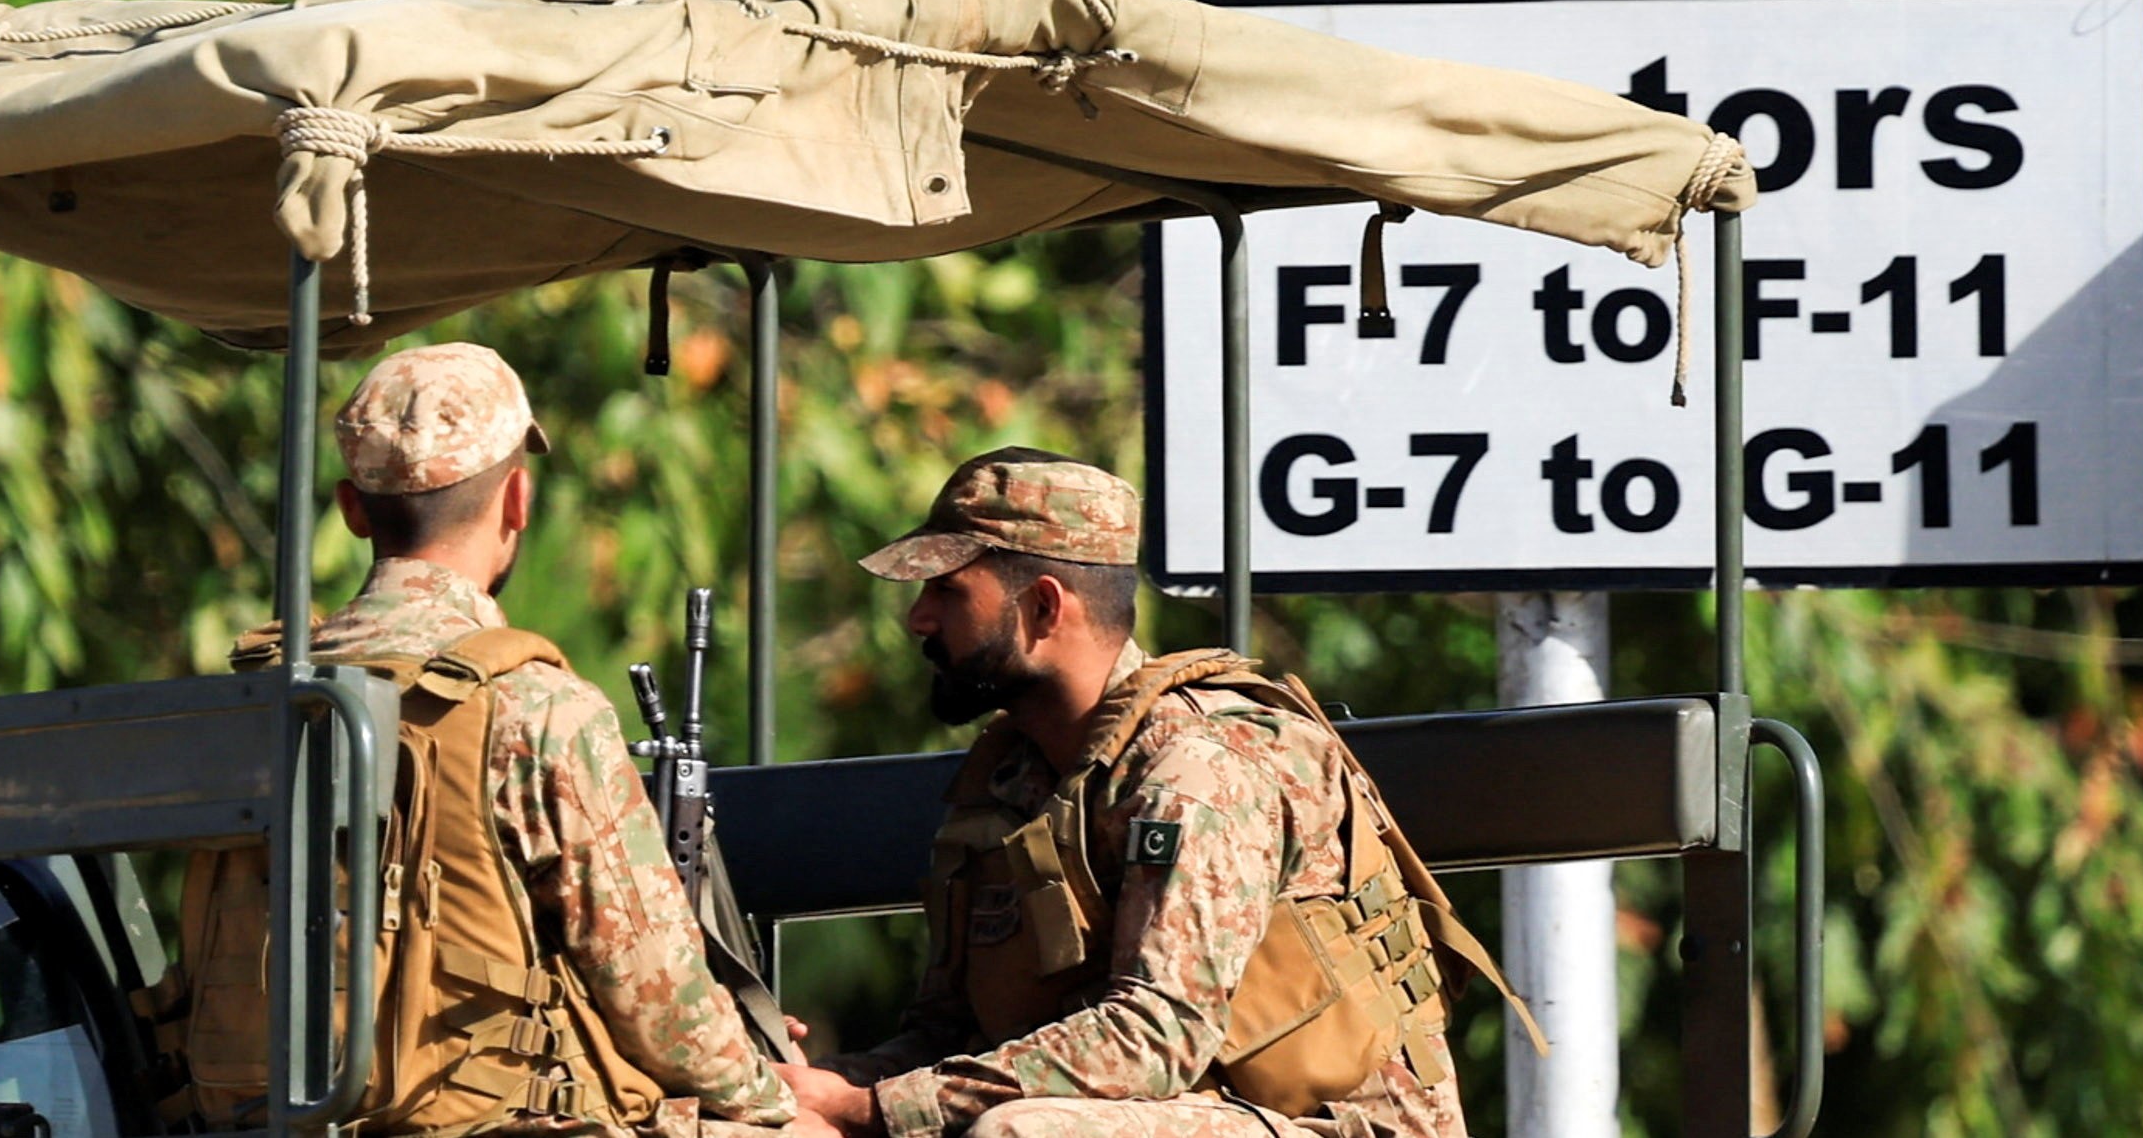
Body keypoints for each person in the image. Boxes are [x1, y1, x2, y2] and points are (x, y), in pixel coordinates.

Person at [775, 453, 1498, 1138]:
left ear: (1044, 608)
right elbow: (949, 1037)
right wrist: (805, 1087)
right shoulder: (1016, 782)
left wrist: (871, 1108)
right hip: (1172, 1114)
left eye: (947, 590)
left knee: (1019, 1133)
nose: (919, 620)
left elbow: (1155, 1038)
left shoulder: (1200, 773)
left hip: (1327, 1124)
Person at [178, 343, 800, 1134]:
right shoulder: (535, 706)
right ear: (517, 500)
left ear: (352, 508)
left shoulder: (261, 697)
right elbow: (659, 1001)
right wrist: (776, 1094)